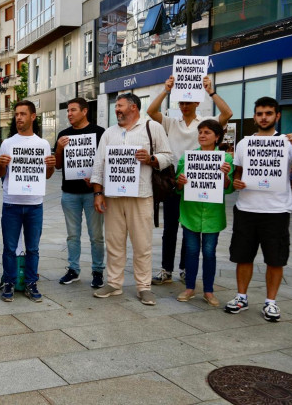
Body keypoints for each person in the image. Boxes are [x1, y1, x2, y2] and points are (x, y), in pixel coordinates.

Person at [147, 75, 233, 285]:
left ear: (197, 102)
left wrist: (211, 91)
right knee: (169, 230)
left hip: (197, 183)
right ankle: (167, 269)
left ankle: (186, 268)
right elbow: (150, 112)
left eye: (188, 102)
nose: (185, 106)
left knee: (189, 229)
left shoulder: (205, 122)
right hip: (174, 181)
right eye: (182, 102)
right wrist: (166, 90)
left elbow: (227, 113)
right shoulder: (170, 122)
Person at [91, 93, 174, 306]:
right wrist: (98, 193)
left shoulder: (152, 127)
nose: (117, 110)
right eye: (116, 106)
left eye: (120, 106)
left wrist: (151, 159)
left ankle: (143, 287)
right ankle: (114, 283)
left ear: (134, 107)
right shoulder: (109, 133)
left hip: (141, 195)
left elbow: (168, 156)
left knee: (142, 244)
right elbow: (99, 165)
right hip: (114, 197)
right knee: (114, 242)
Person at [224, 97, 292, 321]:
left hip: (276, 211)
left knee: (275, 259)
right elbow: (238, 171)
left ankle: (271, 302)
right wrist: (237, 181)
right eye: (260, 113)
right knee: (243, 256)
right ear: (255, 116)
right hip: (247, 208)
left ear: (277, 116)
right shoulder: (244, 143)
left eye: (268, 113)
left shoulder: (287, 143)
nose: (264, 117)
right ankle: (241, 297)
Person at [0, 100, 55, 303]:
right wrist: (0, 165)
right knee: (9, 248)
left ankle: (31, 282)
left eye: (22, 114)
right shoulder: (8, 143)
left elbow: (46, 176)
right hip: (11, 202)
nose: (18, 117)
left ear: (33, 116)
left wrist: (51, 166)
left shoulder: (43, 144)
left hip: (34, 203)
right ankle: (10, 282)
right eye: (16, 114)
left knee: (33, 248)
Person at [174, 119, 234, 306]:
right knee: (191, 251)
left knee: (209, 252)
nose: (202, 135)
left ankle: (209, 291)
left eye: (207, 132)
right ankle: (190, 287)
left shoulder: (227, 159)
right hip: (190, 213)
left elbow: (228, 188)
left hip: (212, 216)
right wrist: (180, 181)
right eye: (200, 132)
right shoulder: (187, 157)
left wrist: (225, 175)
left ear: (217, 137)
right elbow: (177, 185)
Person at [53, 98, 107, 288]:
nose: (69, 114)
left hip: (93, 192)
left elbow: (106, 162)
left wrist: (96, 179)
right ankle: (73, 269)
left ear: (84, 111)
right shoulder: (63, 135)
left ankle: (98, 271)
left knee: (96, 235)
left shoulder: (100, 133)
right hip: (70, 193)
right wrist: (59, 148)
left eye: (73, 110)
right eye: (68, 111)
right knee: (72, 235)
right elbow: (58, 165)